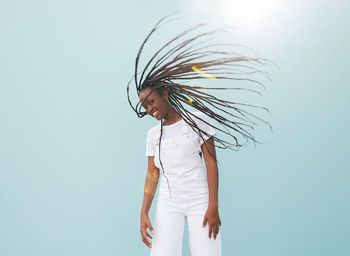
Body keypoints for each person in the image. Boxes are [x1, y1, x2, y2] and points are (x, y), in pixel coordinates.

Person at [127, 14, 271, 256]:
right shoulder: (153, 135)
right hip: (168, 200)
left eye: (151, 102)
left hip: (199, 197)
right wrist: (143, 211)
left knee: (208, 252)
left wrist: (213, 204)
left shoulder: (198, 122)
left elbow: (211, 163)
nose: (150, 110)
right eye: (145, 108)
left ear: (164, 94)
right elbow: (152, 174)